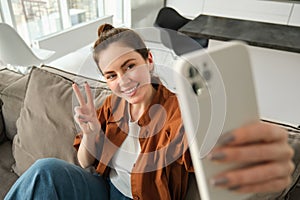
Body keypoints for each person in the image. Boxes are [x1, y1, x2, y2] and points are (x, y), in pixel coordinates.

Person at [5, 24, 295, 200]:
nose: (124, 81)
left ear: (149, 61)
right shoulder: (110, 106)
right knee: (45, 170)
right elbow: (84, 163)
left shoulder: (176, 111)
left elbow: (201, 156)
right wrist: (93, 133)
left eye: (130, 66)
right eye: (112, 75)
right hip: (102, 190)